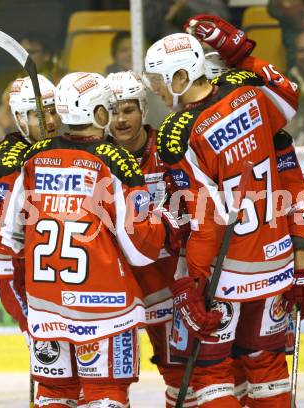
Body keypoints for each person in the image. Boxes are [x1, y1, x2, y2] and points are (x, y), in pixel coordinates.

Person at [143, 14, 304, 407]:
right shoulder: (253, 95)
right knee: (266, 365)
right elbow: (289, 94)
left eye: (158, 81)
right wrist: (239, 51)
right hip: (275, 265)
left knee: (209, 375)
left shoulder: (181, 132)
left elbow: (207, 222)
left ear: (180, 77)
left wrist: (195, 284)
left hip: (226, 276)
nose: (156, 91)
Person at [0, 71, 181, 407]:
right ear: (98, 111)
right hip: (105, 311)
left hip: (47, 308)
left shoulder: (33, 158)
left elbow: (8, 236)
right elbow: (140, 248)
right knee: (105, 395)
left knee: (53, 396)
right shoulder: (114, 160)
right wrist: (167, 224)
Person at [0, 75, 88, 407]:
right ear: (19, 118)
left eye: (53, 111)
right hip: (22, 280)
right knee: (54, 374)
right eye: (38, 115)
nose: (50, 121)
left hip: (60, 278)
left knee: (83, 378)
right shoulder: (9, 160)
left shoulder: (64, 146)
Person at [106, 70, 197, 407]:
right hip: (119, 288)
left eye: (127, 109)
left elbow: (192, 203)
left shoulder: (169, 148)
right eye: (113, 111)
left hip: (167, 281)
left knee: (180, 375)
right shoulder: (99, 158)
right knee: (109, 381)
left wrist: (169, 226)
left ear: (143, 110)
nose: (120, 119)